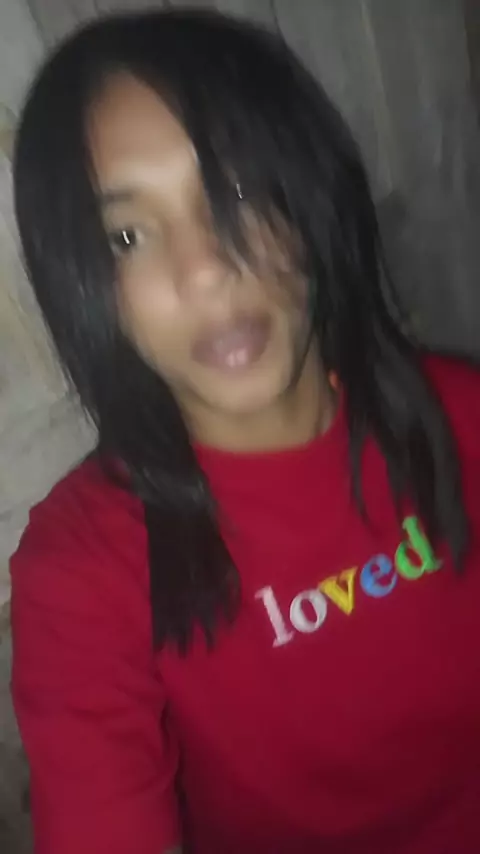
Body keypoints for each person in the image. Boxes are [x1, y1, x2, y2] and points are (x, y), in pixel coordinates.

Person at [9, 7, 480, 854]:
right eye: (127, 236)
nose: (205, 270)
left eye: (230, 191)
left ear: (306, 200)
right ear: (89, 288)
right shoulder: (83, 566)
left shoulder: (464, 415)